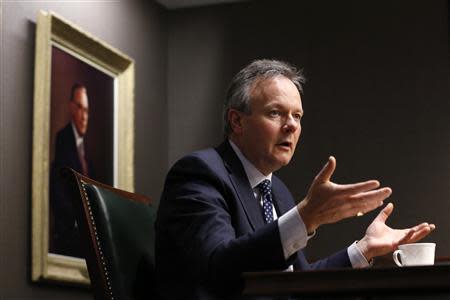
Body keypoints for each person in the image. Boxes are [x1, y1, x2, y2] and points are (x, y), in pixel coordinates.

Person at [155, 59, 435, 300]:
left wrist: (363, 250)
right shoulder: (199, 173)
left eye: (297, 116)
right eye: (275, 113)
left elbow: (298, 284)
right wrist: (303, 219)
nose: (291, 125)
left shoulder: (277, 190)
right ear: (237, 122)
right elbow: (219, 268)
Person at [50, 83, 95, 258]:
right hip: (69, 236)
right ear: (71, 108)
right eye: (80, 108)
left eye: (87, 111)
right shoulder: (63, 139)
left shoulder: (87, 150)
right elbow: (58, 190)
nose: (85, 117)